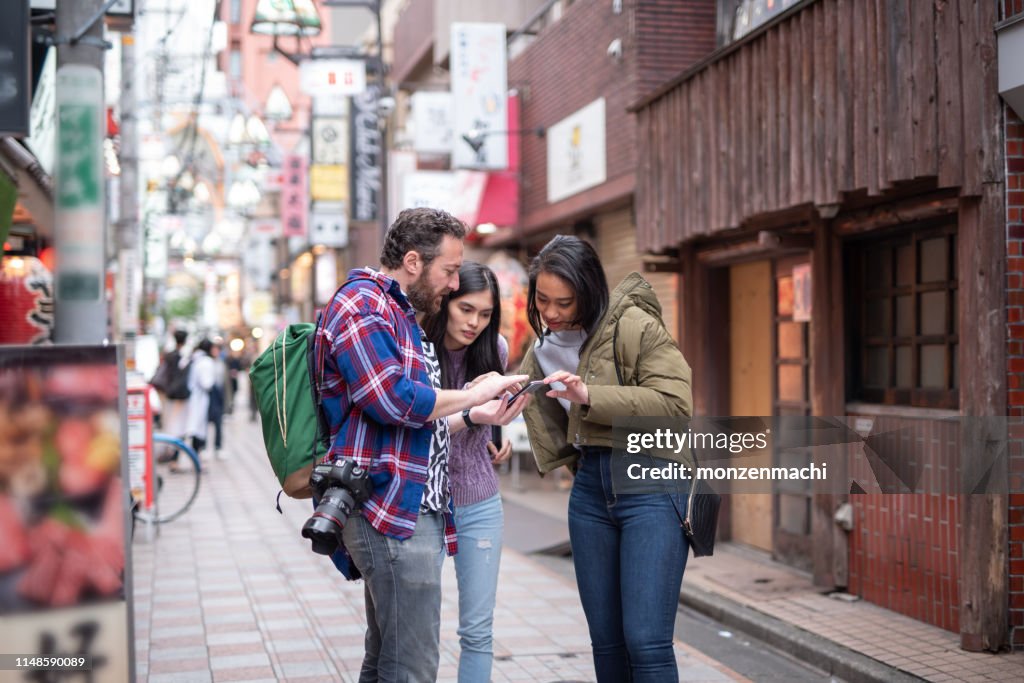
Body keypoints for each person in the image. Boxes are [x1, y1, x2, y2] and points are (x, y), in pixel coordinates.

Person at [313, 208, 530, 682]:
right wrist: (474, 393)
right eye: (449, 270)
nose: (454, 284)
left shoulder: (398, 312)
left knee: (387, 659)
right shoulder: (361, 306)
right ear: (413, 261)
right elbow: (391, 399)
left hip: (408, 508)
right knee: (411, 667)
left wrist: (475, 415)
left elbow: (415, 425)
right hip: (388, 509)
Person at [518, 235, 693, 683]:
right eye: (542, 300)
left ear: (590, 291)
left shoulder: (635, 325)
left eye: (565, 302)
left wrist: (590, 394)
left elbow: (675, 405)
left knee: (646, 641)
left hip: (650, 480)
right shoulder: (541, 347)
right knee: (607, 643)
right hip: (591, 487)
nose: (552, 313)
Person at [421, 262, 512, 683]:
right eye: (466, 309)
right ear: (446, 303)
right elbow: (419, 428)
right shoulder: (418, 349)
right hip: (423, 504)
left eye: (486, 314)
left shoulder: (497, 351)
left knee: (478, 631)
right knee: (417, 630)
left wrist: (498, 432)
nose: (475, 322)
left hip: (479, 501)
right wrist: (474, 414)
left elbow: (489, 421)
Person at [184, 339, 217, 462]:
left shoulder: (193, 358)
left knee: (191, 428)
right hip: (199, 399)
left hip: (190, 398)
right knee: (197, 429)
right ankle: (196, 458)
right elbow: (206, 383)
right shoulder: (206, 361)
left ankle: (190, 458)